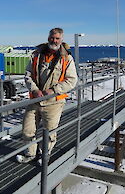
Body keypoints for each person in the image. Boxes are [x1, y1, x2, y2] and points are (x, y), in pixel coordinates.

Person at [16, 28, 78, 163]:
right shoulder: (37, 55)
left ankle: (44, 155)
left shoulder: (66, 58)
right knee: (28, 129)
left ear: (61, 40)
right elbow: (28, 75)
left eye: (57, 38)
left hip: (54, 102)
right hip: (35, 99)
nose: (54, 41)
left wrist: (53, 90)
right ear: (48, 37)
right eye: (52, 38)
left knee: (49, 131)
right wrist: (34, 90)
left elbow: (72, 80)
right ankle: (30, 154)